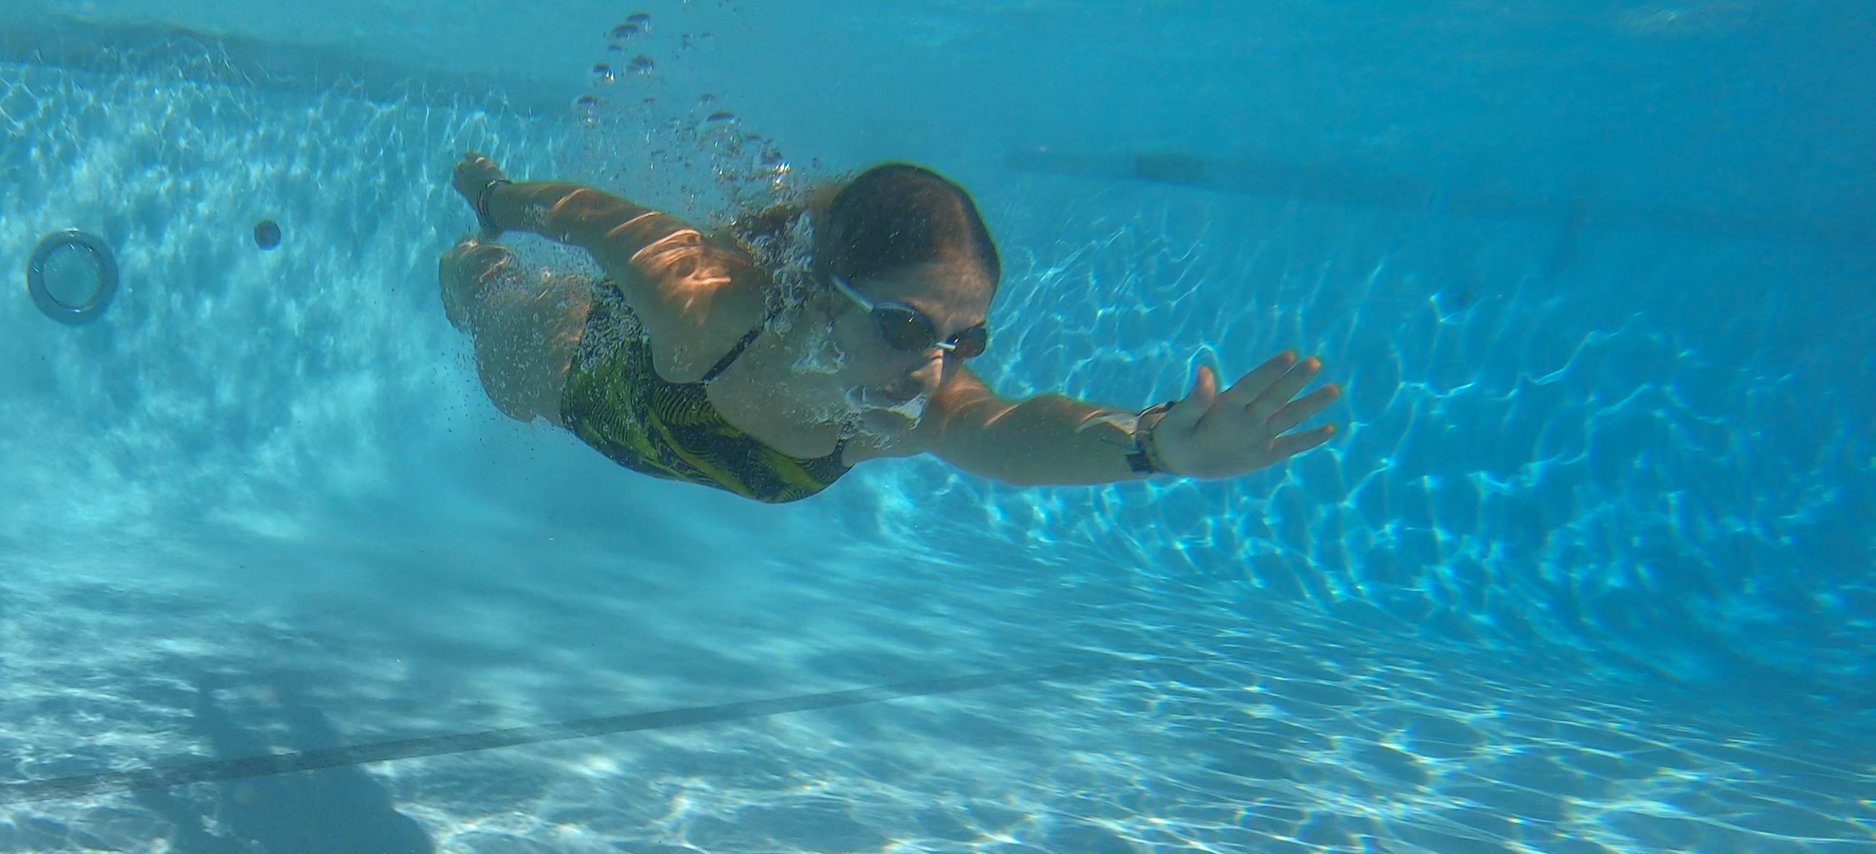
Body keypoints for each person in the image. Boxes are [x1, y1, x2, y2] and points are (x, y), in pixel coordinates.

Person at [437, 152, 1339, 504]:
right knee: (478, 298)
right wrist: (496, 201)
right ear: (827, 295)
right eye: (908, 326)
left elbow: (1012, 432)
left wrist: (1154, 446)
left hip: (639, 428)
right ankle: (477, 270)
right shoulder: (716, 306)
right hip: (564, 369)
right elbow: (594, 218)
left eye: (966, 337)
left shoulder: (905, 412)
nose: (937, 364)